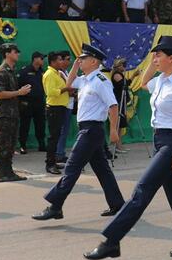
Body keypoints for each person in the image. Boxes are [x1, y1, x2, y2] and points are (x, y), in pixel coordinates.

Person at [83, 36, 172, 260]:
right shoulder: (161, 81)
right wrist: (153, 57)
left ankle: (111, 240)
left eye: (159, 55)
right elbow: (144, 82)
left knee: (142, 190)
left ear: (171, 58)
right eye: (154, 55)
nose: (154, 59)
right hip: (160, 141)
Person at [32, 44, 125, 221]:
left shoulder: (100, 81)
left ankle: (55, 205)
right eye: (79, 59)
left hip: (92, 130)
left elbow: (113, 106)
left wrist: (113, 130)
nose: (80, 61)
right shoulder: (85, 79)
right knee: (103, 170)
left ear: (94, 61)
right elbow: (69, 84)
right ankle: (117, 204)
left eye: (83, 59)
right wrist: (75, 66)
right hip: (87, 129)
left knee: (72, 167)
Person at [0, 44, 31, 182]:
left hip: (12, 113)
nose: (18, 54)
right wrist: (19, 92)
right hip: (4, 113)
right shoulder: (1, 72)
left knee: (10, 144)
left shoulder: (10, 71)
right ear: (7, 54)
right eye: (15, 52)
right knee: (3, 143)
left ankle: (8, 171)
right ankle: (2, 172)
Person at [43, 51, 73, 175]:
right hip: (54, 108)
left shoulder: (57, 73)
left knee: (56, 136)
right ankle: (49, 164)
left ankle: (54, 161)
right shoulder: (50, 74)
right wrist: (66, 89)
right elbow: (51, 92)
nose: (62, 62)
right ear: (53, 62)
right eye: (60, 60)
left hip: (60, 107)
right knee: (53, 137)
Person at [18, 52, 47, 155]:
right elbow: (18, 85)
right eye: (41, 58)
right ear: (35, 59)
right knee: (24, 125)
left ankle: (41, 144)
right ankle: (22, 145)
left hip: (39, 102)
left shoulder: (42, 72)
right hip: (27, 103)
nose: (43, 61)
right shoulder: (24, 71)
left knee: (41, 124)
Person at [111, 58, 129, 154]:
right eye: (123, 65)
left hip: (122, 100)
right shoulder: (116, 75)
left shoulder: (120, 74)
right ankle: (117, 145)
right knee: (118, 124)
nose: (124, 67)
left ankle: (120, 144)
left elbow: (126, 84)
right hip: (118, 100)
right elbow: (123, 85)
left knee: (121, 124)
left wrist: (132, 76)